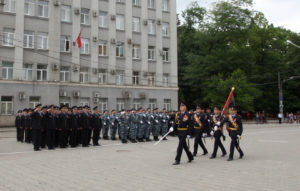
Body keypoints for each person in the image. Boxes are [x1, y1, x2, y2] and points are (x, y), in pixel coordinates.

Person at [172, 101, 194, 165]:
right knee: (184, 146)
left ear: (185, 107)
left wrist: (189, 134)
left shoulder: (188, 115)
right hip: (179, 132)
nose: (181, 107)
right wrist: (172, 127)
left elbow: (191, 125)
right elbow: (175, 122)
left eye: (182, 106)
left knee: (180, 146)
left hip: (185, 131)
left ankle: (177, 160)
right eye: (180, 106)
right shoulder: (178, 114)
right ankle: (190, 157)